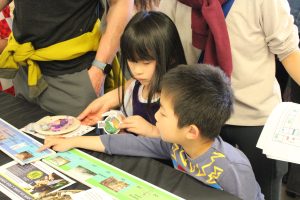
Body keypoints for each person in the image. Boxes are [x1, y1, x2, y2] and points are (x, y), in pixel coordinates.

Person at [39, 64, 264, 200]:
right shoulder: (177, 144)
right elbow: (130, 144)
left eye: (163, 113)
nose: (155, 116)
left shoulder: (233, 168)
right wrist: (74, 141)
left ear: (191, 131)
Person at [158, 0, 300, 199]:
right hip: (198, 116)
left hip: (255, 116)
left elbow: (290, 53)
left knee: (261, 191)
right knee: (197, 190)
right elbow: (164, 47)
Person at [0, 0, 134, 116]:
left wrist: (99, 70)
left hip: (74, 77)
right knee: (25, 141)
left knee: (77, 143)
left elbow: (121, 4)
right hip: (25, 71)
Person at [78, 11, 186, 137]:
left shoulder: (181, 96)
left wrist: (152, 131)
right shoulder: (134, 89)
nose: (137, 70)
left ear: (170, 57)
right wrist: (119, 126)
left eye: (146, 63)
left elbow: (185, 143)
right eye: (132, 61)